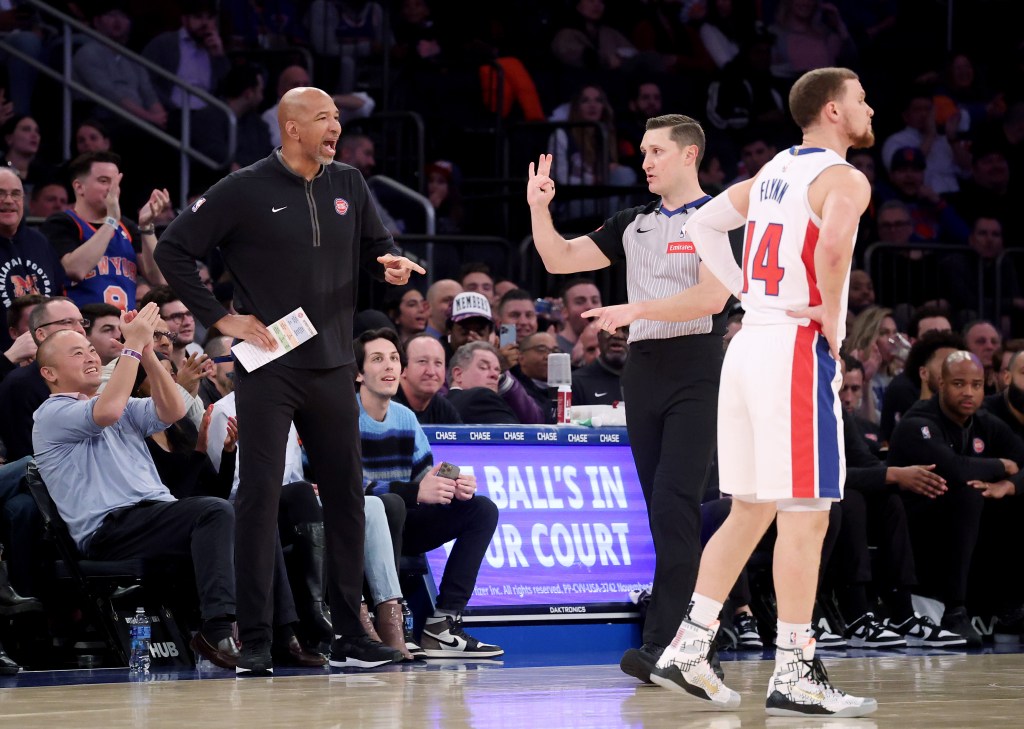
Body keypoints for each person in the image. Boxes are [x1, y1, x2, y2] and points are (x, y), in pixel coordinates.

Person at [154, 85, 425, 676]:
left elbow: (379, 247)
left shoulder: (349, 183)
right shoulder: (245, 187)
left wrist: (392, 262)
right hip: (269, 363)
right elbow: (175, 249)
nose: (336, 128)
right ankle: (255, 639)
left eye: (338, 119)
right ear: (292, 127)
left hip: (331, 363)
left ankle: (349, 633)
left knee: (348, 496)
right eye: (324, 119)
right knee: (258, 495)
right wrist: (220, 317)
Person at [634, 67, 878, 716]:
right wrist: (830, 319)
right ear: (833, 111)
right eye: (860, 99)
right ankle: (796, 667)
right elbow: (832, 248)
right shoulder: (845, 178)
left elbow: (700, 229)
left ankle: (689, 645)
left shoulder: (771, 173)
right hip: (793, 346)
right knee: (808, 512)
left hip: (744, 347)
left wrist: (745, 291)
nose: (870, 108)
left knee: (751, 509)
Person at [527, 113, 730, 685]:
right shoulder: (632, 223)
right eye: (642, 151)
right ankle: (684, 645)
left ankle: (671, 644)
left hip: (697, 366)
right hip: (643, 373)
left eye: (656, 152)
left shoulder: (718, 219)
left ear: (689, 155)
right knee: (664, 511)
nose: (644, 161)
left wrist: (635, 309)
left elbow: (711, 297)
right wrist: (540, 208)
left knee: (674, 504)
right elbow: (558, 260)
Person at [31, 309, 241, 670]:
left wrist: (145, 350)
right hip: (109, 529)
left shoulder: (120, 405)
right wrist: (132, 345)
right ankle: (217, 630)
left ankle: (279, 634)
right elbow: (108, 410)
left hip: (149, 516)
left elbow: (173, 408)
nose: (91, 357)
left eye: (91, 350)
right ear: (49, 373)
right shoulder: (50, 415)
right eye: (77, 353)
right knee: (212, 511)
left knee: (253, 519)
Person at [354, 328, 502, 658]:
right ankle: (389, 617)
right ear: (359, 373)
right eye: (378, 359)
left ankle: (443, 623)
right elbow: (340, 487)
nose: (389, 366)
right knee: (389, 505)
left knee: (482, 509)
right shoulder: (343, 416)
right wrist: (412, 492)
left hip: (403, 525)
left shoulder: (405, 418)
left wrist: (453, 485)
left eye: (394, 358)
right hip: (355, 528)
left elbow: (425, 478)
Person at [888, 351, 1024, 645]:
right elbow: (951, 468)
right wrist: (1002, 466)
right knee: (969, 494)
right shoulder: (918, 421)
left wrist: (1009, 486)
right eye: (959, 384)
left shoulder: (985, 422)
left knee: (1002, 497)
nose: (969, 393)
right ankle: (955, 611)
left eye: (976, 385)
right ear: (941, 383)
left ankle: (1012, 608)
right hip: (913, 524)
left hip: (966, 523)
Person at [40, 151, 169, 310]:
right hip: (81, 327)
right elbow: (75, 269)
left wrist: (146, 227)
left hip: (124, 329)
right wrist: (111, 220)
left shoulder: (127, 227)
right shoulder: (62, 223)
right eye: (104, 181)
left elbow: (160, 279)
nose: (112, 189)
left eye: (116, 183)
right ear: (79, 187)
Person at [0, 167, 64, 360]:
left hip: (45, 359)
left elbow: (58, 295)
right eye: (0, 194)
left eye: (15, 194)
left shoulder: (39, 242)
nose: (9, 200)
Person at [394, 332, 462, 425]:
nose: (431, 372)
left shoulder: (443, 408)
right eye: (422, 361)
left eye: (438, 363)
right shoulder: (385, 405)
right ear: (403, 368)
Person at [572, 324, 627, 406]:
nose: (618, 335)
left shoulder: (648, 381)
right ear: (599, 337)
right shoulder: (576, 383)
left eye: (626, 330)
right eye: (610, 328)